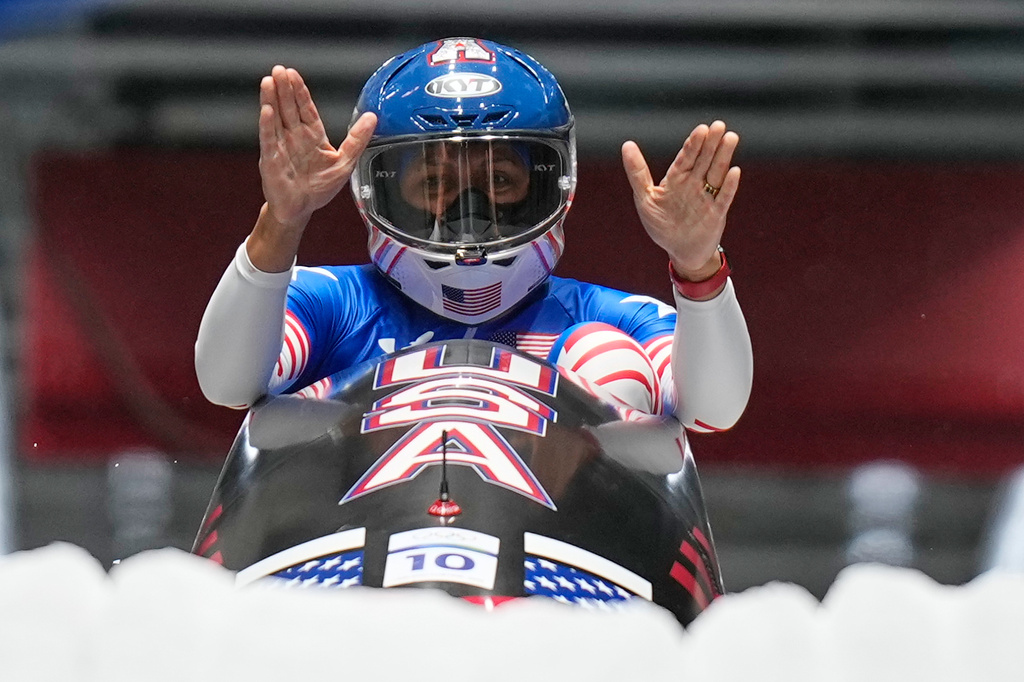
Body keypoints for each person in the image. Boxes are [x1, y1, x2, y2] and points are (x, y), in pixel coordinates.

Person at [195, 37, 752, 432]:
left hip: (554, 558)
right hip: (357, 559)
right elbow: (227, 383)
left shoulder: (617, 320)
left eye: (500, 181)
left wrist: (697, 264)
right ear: (375, 190)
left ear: (553, 184)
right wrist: (283, 220)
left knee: (606, 359)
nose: (469, 214)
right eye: (434, 183)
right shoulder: (326, 303)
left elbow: (712, 412)